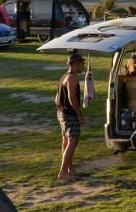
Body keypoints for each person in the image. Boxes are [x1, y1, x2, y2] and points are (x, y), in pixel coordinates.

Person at [56, 51, 85, 180]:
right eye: (81, 64)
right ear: (75, 64)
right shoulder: (72, 78)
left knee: (66, 141)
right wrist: (79, 115)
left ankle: (69, 169)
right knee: (72, 141)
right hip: (69, 114)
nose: (83, 66)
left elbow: (57, 97)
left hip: (62, 113)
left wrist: (60, 108)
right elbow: (72, 98)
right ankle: (63, 172)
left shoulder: (64, 76)